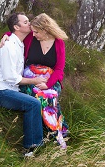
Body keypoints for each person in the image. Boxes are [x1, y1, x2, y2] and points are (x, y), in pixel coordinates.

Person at [0, 13, 49, 156]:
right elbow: (10, 77)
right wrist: (35, 81)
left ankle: (53, 133)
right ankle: (31, 148)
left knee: (43, 96)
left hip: (11, 88)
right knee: (33, 104)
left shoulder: (19, 43)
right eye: (26, 22)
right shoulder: (8, 46)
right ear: (17, 27)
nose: (30, 24)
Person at [22, 13, 70, 146]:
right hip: (30, 77)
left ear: (45, 30)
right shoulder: (31, 38)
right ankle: (57, 134)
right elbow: (13, 34)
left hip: (51, 78)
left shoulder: (58, 43)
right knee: (44, 96)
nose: (34, 34)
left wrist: (48, 84)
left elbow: (59, 69)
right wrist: (5, 37)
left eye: (37, 32)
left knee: (51, 94)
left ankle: (56, 132)